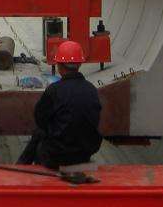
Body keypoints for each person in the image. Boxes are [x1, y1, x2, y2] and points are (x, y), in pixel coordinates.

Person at [18, 39, 102, 169]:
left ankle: (21, 166)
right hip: (85, 154)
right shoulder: (92, 89)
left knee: (39, 133)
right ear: (80, 64)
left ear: (59, 66)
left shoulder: (54, 90)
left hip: (56, 156)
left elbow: (40, 119)